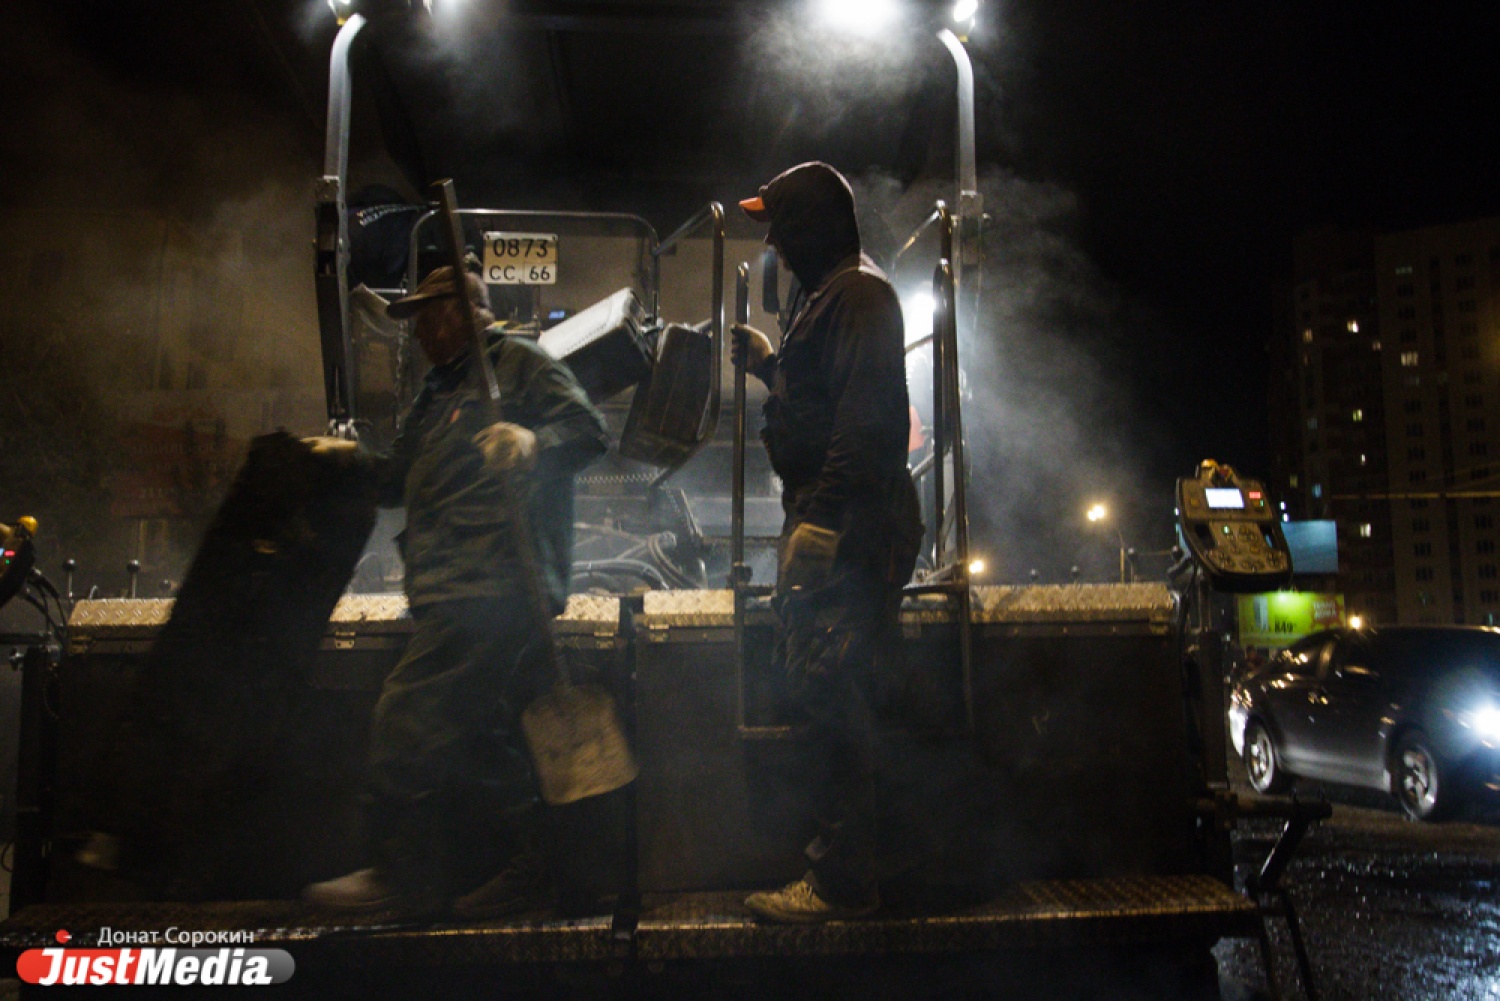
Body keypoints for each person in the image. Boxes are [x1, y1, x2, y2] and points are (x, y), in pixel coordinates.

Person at [303, 265, 608, 919]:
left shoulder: (519, 363)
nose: (416, 333)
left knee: (407, 717)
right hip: (448, 584)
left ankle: (398, 873)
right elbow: (395, 480)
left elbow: (588, 431)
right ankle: (542, 868)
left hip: (496, 580)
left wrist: (532, 442)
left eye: (425, 316)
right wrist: (346, 459)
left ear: (460, 311)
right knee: (480, 735)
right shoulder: (438, 390)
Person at [731, 162, 923, 923]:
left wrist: (821, 521)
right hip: (838, 517)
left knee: (831, 691)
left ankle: (842, 883)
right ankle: (860, 867)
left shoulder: (860, 296)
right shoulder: (832, 297)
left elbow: (866, 422)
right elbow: (821, 403)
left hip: (853, 526)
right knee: (830, 688)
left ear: (810, 227)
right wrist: (768, 366)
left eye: (778, 227)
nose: (772, 245)